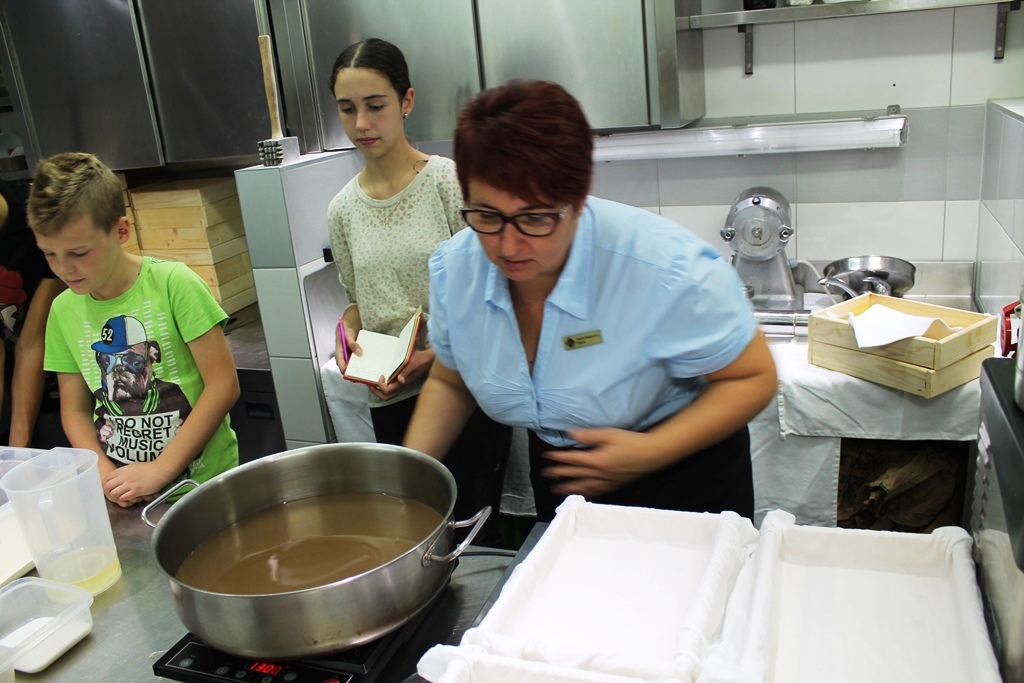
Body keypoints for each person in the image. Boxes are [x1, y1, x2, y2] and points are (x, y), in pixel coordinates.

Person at [403, 80, 778, 523]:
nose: (507, 245)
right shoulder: (456, 270)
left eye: (534, 218)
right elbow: (452, 380)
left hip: (684, 478)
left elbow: (753, 377)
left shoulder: (663, 268)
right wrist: (405, 488)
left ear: (577, 203)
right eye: (486, 215)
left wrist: (651, 451)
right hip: (568, 477)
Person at [326, 38, 512, 545]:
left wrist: (431, 359)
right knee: (417, 537)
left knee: (475, 538)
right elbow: (357, 304)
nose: (362, 124)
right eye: (348, 109)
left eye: (375, 106)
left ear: (406, 101)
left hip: (466, 389)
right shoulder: (342, 210)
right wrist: (346, 340)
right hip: (391, 396)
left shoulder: (448, 183)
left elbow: (492, 297)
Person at [28, 152, 240, 507]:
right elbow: (75, 410)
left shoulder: (173, 284)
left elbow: (223, 385)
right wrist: (105, 475)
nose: (64, 269)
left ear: (121, 231)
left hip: (202, 487)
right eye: (49, 254)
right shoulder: (63, 310)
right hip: (127, 491)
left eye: (78, 253)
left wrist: (160, 469)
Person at [0, 177, 67, 448]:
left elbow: (32, 343)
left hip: (70, 385)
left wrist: (18, 450)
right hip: (16, 387)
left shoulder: (43, 213)